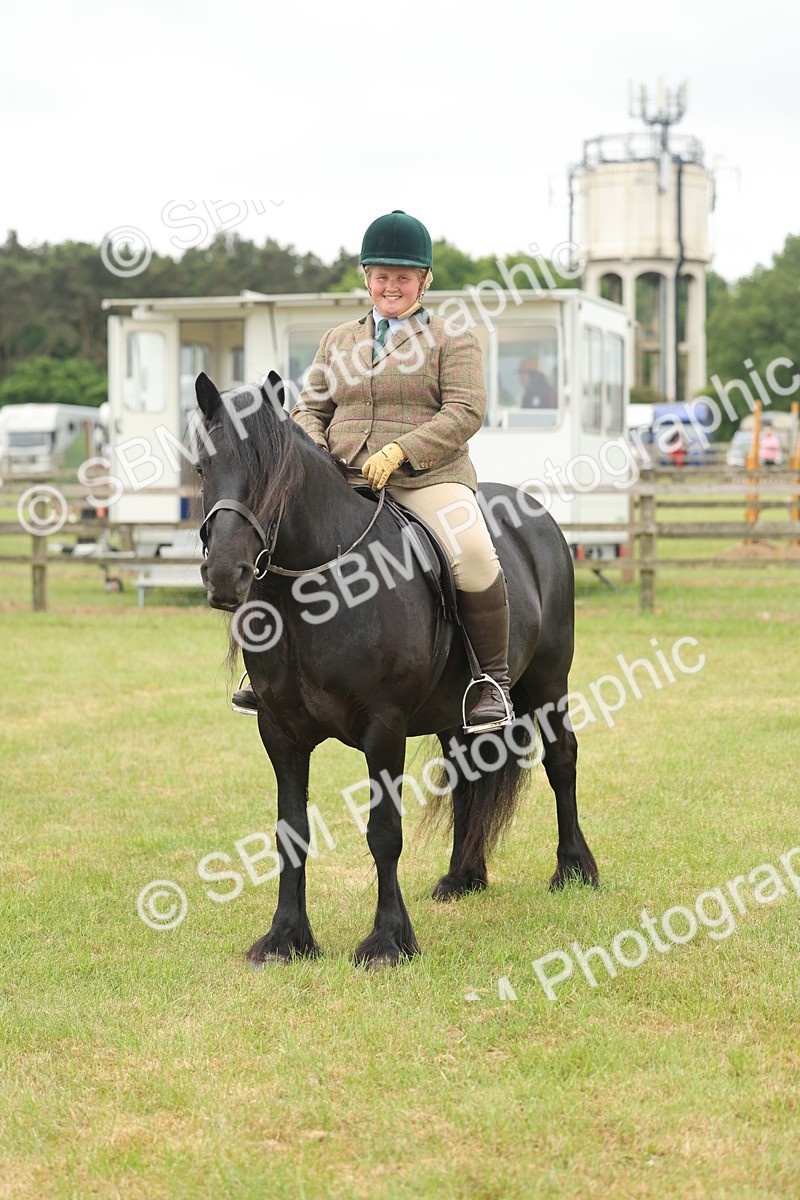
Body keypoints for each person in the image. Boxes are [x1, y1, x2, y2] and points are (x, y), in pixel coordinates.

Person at [234, 210, 513, 732]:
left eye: (403, 277)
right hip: (341, 478)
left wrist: (402, 451)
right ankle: (268, 670)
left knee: (473, 554)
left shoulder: (453, 339)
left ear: (424, 281)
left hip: (425, 478)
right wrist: (316, 453)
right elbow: (310, 408)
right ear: (367, 278)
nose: (391, 287)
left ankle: (489, 681)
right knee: (273, 542)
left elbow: (465, 411)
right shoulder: (338, 340)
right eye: (382, 276)